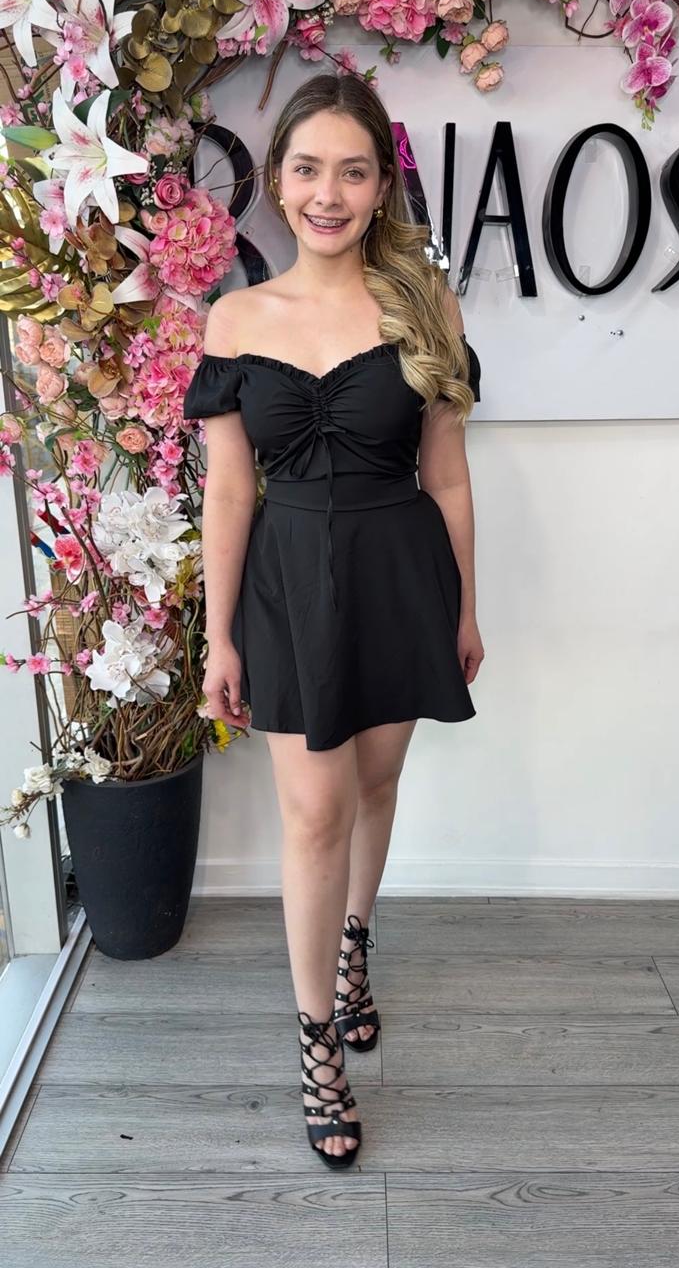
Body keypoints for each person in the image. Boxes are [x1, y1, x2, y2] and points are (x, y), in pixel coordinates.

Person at [183, 71, 485, 1169]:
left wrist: (464, 607)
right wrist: (218, 634)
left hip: (400, 572)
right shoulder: (235, 317)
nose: (328, 192)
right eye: (308, 168)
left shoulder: (424, 306)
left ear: (380, 186)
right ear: (276, 180)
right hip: (284, 583)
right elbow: (230, 491)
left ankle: (354, 949)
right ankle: (318, 1044)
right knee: (314, 813)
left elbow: (447, 475)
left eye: (352, 171)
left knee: (373, 786)